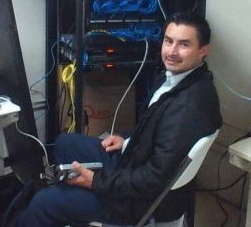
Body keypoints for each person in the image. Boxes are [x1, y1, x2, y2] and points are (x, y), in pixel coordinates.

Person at [17, 13, 222, 226]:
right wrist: (126, 140)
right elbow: (156, 129)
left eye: (184, 45)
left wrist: (95, 181)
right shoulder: (177, 78)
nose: (171, 51)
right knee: (64, 143)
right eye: (168, 41)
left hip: (141, 201)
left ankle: (64, 208)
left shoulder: (187, 108)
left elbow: (154, 179)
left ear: (203, 50)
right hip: (134, 164)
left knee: (46, 201)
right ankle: (72, 210)